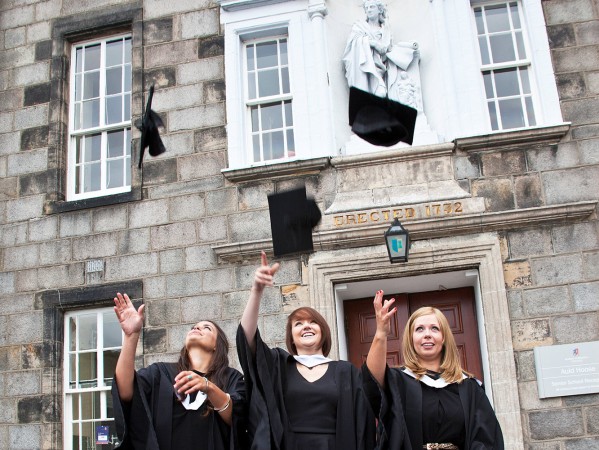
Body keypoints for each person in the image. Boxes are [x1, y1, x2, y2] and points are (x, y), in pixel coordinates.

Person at [237, 252, 376, 450]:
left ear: (323, 331)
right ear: (291, 337)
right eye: (298, 324)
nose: (306, 326)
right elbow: (247, 340)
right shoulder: (278, 366)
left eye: (313, 322)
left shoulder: (346, 372)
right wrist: (256, 291)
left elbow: (362, 424)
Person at [364, 290, 504, 450]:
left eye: (434, 329)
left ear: (443, 338)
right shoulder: (398, 382)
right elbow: (372, 382)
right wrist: (381, 333)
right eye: (420, 329)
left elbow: (486, 437)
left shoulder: (468, 387)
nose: (427, 335)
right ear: (411, 339)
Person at [111, 292, 247, 450]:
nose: (197, 328)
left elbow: (236, 418)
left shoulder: (230, 378)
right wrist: (131, 336)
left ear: (217, 345)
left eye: (207, 328)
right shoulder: (160, 374)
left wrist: (207, 386)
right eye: (194, 327)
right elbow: (125, 392)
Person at [343, 0, 420, 109]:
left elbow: (388, 48)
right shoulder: (359, 27)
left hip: (381, 67)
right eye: (367, 8)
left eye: (372, 7)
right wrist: (373, 43)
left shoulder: (385, 29)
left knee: (382, 93)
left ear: (379, 10)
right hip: (365, 69)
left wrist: (408, 47)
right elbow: (353, 44)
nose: (369, 10)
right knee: (377, 92)